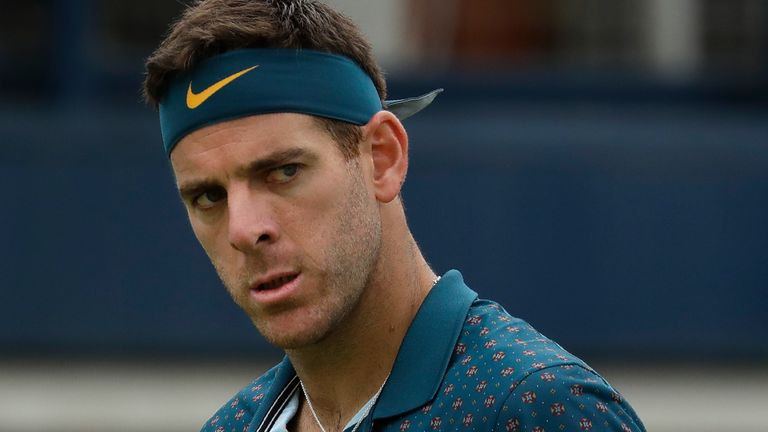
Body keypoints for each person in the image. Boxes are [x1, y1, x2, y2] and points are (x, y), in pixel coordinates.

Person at [143, 1, 646, 431]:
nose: (245, 229)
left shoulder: (534, 408)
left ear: (381, 158)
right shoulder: (233, 426)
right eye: (208, 197)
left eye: (284, 171)